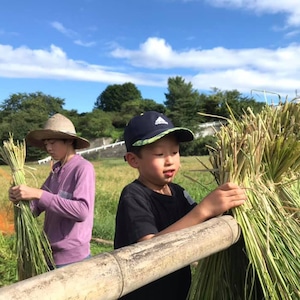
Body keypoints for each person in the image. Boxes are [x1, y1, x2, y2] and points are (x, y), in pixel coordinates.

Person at [114, 111, 246, 300]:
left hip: (178, 291)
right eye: (160, 154)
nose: (170, 161)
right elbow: (148, 249)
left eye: (175, 152)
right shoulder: (133, 196)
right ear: (133, 160)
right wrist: (204, 209)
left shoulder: (179, 192)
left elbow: (199, 226)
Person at [9, 113, 95, 269]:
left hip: (74, 260)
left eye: (53, 142)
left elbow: (82, 211)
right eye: (46, 143)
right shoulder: (55, 172)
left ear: (69, 140)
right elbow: (36, 208)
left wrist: (38, 194)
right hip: (49, 255)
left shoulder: (83, 168)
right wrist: (19, 198)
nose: (48, 148)